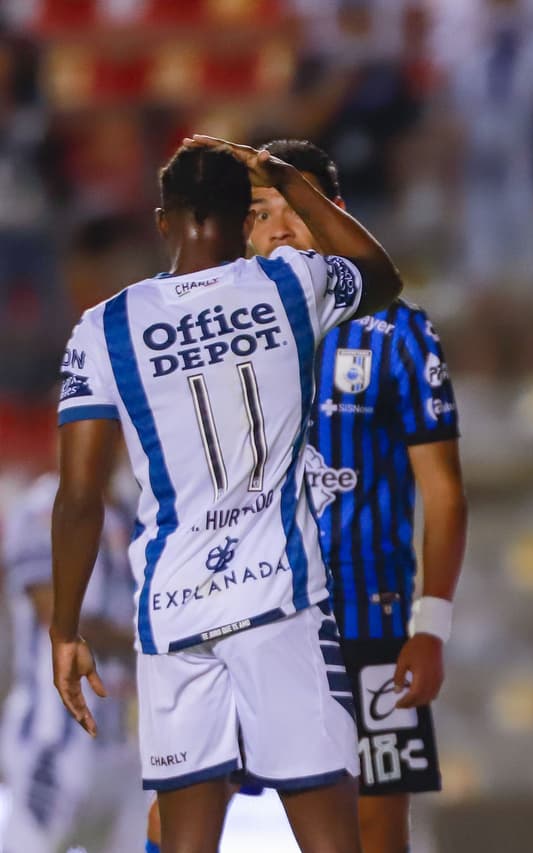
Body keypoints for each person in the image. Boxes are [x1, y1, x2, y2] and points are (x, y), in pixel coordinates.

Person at [50, 138, 403, 853]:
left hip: (174, 614)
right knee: (332, 837)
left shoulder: (104, 328)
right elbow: (381, 277)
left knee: (185, 844)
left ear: (162, 220)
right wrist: (289, 183)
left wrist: (65, 630)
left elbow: (79, 494)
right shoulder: (288, 286)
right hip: (278, 601)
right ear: (246, 219)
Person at [251, 138, 465, 853]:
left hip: (368, 620)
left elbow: (443, 491)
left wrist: (429, 624)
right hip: (250, 623)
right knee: (191, 813)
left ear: (335, 215)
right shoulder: (222, 341)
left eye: (296, 208)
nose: (278, 227)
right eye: (259, 212)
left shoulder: (400, 334)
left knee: (377, 828)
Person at [1, 470, 145, 853]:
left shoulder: (133, 509)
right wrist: (149, 640)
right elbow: (55, 612)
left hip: (126, 739)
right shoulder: (42, 506)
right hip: (55, 737)